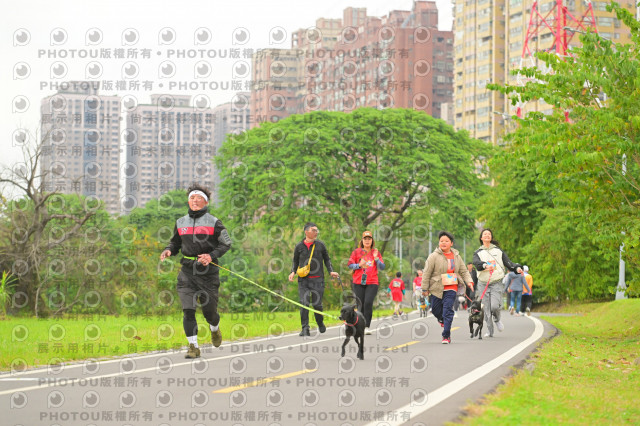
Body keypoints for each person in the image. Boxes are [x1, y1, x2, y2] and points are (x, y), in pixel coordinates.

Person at [160, 184, 232, 359]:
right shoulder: (180, 222)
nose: (195, 200)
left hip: (208, 273)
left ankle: (214, 328)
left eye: (199, 198)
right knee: (188, 310)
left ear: (206, 202)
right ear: (188, 201)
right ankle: (193, 346)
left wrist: (211, 255)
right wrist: (169, 250)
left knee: (210, 313)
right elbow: (175, 243)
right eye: (192, 198)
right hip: (187, 273)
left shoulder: (214, 222)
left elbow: (226, 243)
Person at [422, 231, 474, 344]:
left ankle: (446, 335)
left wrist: (469, 281)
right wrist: (424, 288)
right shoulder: (433, 256)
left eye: (446, 241)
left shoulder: (456, 256)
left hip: (451, 287)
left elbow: (464, 271)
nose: (443, 243)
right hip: (436, 286)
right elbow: (426, 272)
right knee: (435, 310)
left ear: (451, 243)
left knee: (447, 310)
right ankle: (442, 319)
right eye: (441, 241)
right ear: (439, 243)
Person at [288, 222, 339, 336]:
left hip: (317, 280)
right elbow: (295, 260)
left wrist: (331, 271)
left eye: (317, 230)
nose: (316, 232)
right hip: (303, 280)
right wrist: (292, 272)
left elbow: (327, 259)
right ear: (306, 232)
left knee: (317, 305)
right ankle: (305, 328)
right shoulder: (299, 246)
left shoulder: (320, 245)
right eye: (314, 230)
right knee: (304, 303)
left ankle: (320, 322)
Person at [472, 228, 522, 337]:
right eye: (485, 234)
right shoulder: (478, 252)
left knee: (494, 306)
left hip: (496, 282)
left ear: (491, 237)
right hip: (483, 283)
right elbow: (476, 263)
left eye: (489, 234)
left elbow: (509, 263)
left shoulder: (498, 251)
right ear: (481, 238)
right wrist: (485, 265)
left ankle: (497, 319)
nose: (487, 235)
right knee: (486, 309)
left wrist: (517, 268)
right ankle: (490, 331)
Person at [348, 230, 385, 335]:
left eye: (369, 239)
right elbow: (350, 265)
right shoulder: (356, 252)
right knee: (360, 304)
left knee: (368, 303)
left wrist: (376, 258)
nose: (367, 241)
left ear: (372, 240)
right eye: (365, 239)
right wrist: (359, 265)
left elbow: (382, 267)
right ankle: (359, 325)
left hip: (372, 282)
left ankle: (366, 326)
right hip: (358, 282)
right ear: (362, 240)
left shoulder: (375, 252)